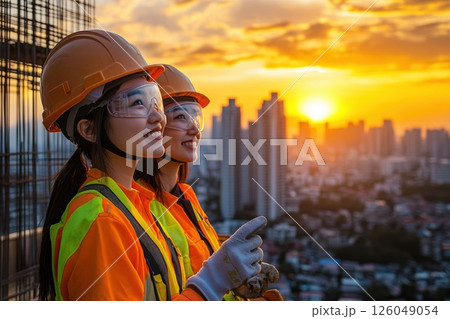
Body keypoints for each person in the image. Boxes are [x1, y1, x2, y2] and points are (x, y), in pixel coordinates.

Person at [38, 30, 266, 301]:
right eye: (136, 103)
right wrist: (210, 285)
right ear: (88, 129)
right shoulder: (102, 221)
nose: (158, 118)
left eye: (153, 101)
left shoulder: (134, 207)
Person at [134, 65, 281, 300]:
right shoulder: (136, 207)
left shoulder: (185, 197)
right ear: (154, 123)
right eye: (181, 116)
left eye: (195, 116)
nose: (194, 128)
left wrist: (240, 289)